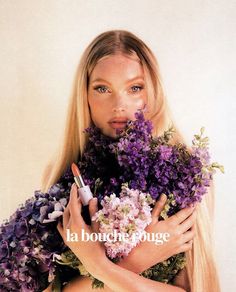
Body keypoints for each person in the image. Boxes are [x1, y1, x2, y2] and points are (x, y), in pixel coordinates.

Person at [41, 30, 220, 292]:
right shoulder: (61, 174)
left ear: (152, 92)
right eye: (102, 88)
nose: (119, 105)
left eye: (134, 87)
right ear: (85, 96)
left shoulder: (183, 173)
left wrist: (97, 265)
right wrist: (136, 260)